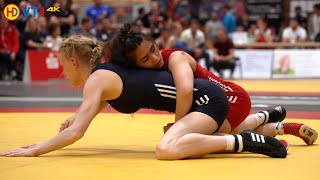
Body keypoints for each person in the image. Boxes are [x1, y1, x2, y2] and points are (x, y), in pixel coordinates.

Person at [0, 34, 287, 158]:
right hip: (207, 99)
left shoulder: (99, 78)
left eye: (63, 66)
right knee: (177, 145)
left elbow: (77, 132)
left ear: (74, 61)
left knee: (167, 149)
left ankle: (242, 141)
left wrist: (36, 150)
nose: (63, 73)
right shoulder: (104, 76)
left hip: (207, 99)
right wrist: (54, 132)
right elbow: (91, 111)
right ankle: (266, 124)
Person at [107, 24, 318, 145]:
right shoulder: (148, 68)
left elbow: (186, 91)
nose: (154, 58)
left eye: (153, 48)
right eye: (145, 59)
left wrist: (177, 126)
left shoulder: (175, 57)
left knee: (200, 138)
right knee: (216, 135)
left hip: (229, 98)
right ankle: (280, 125)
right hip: (212, 102)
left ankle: (267, 138)